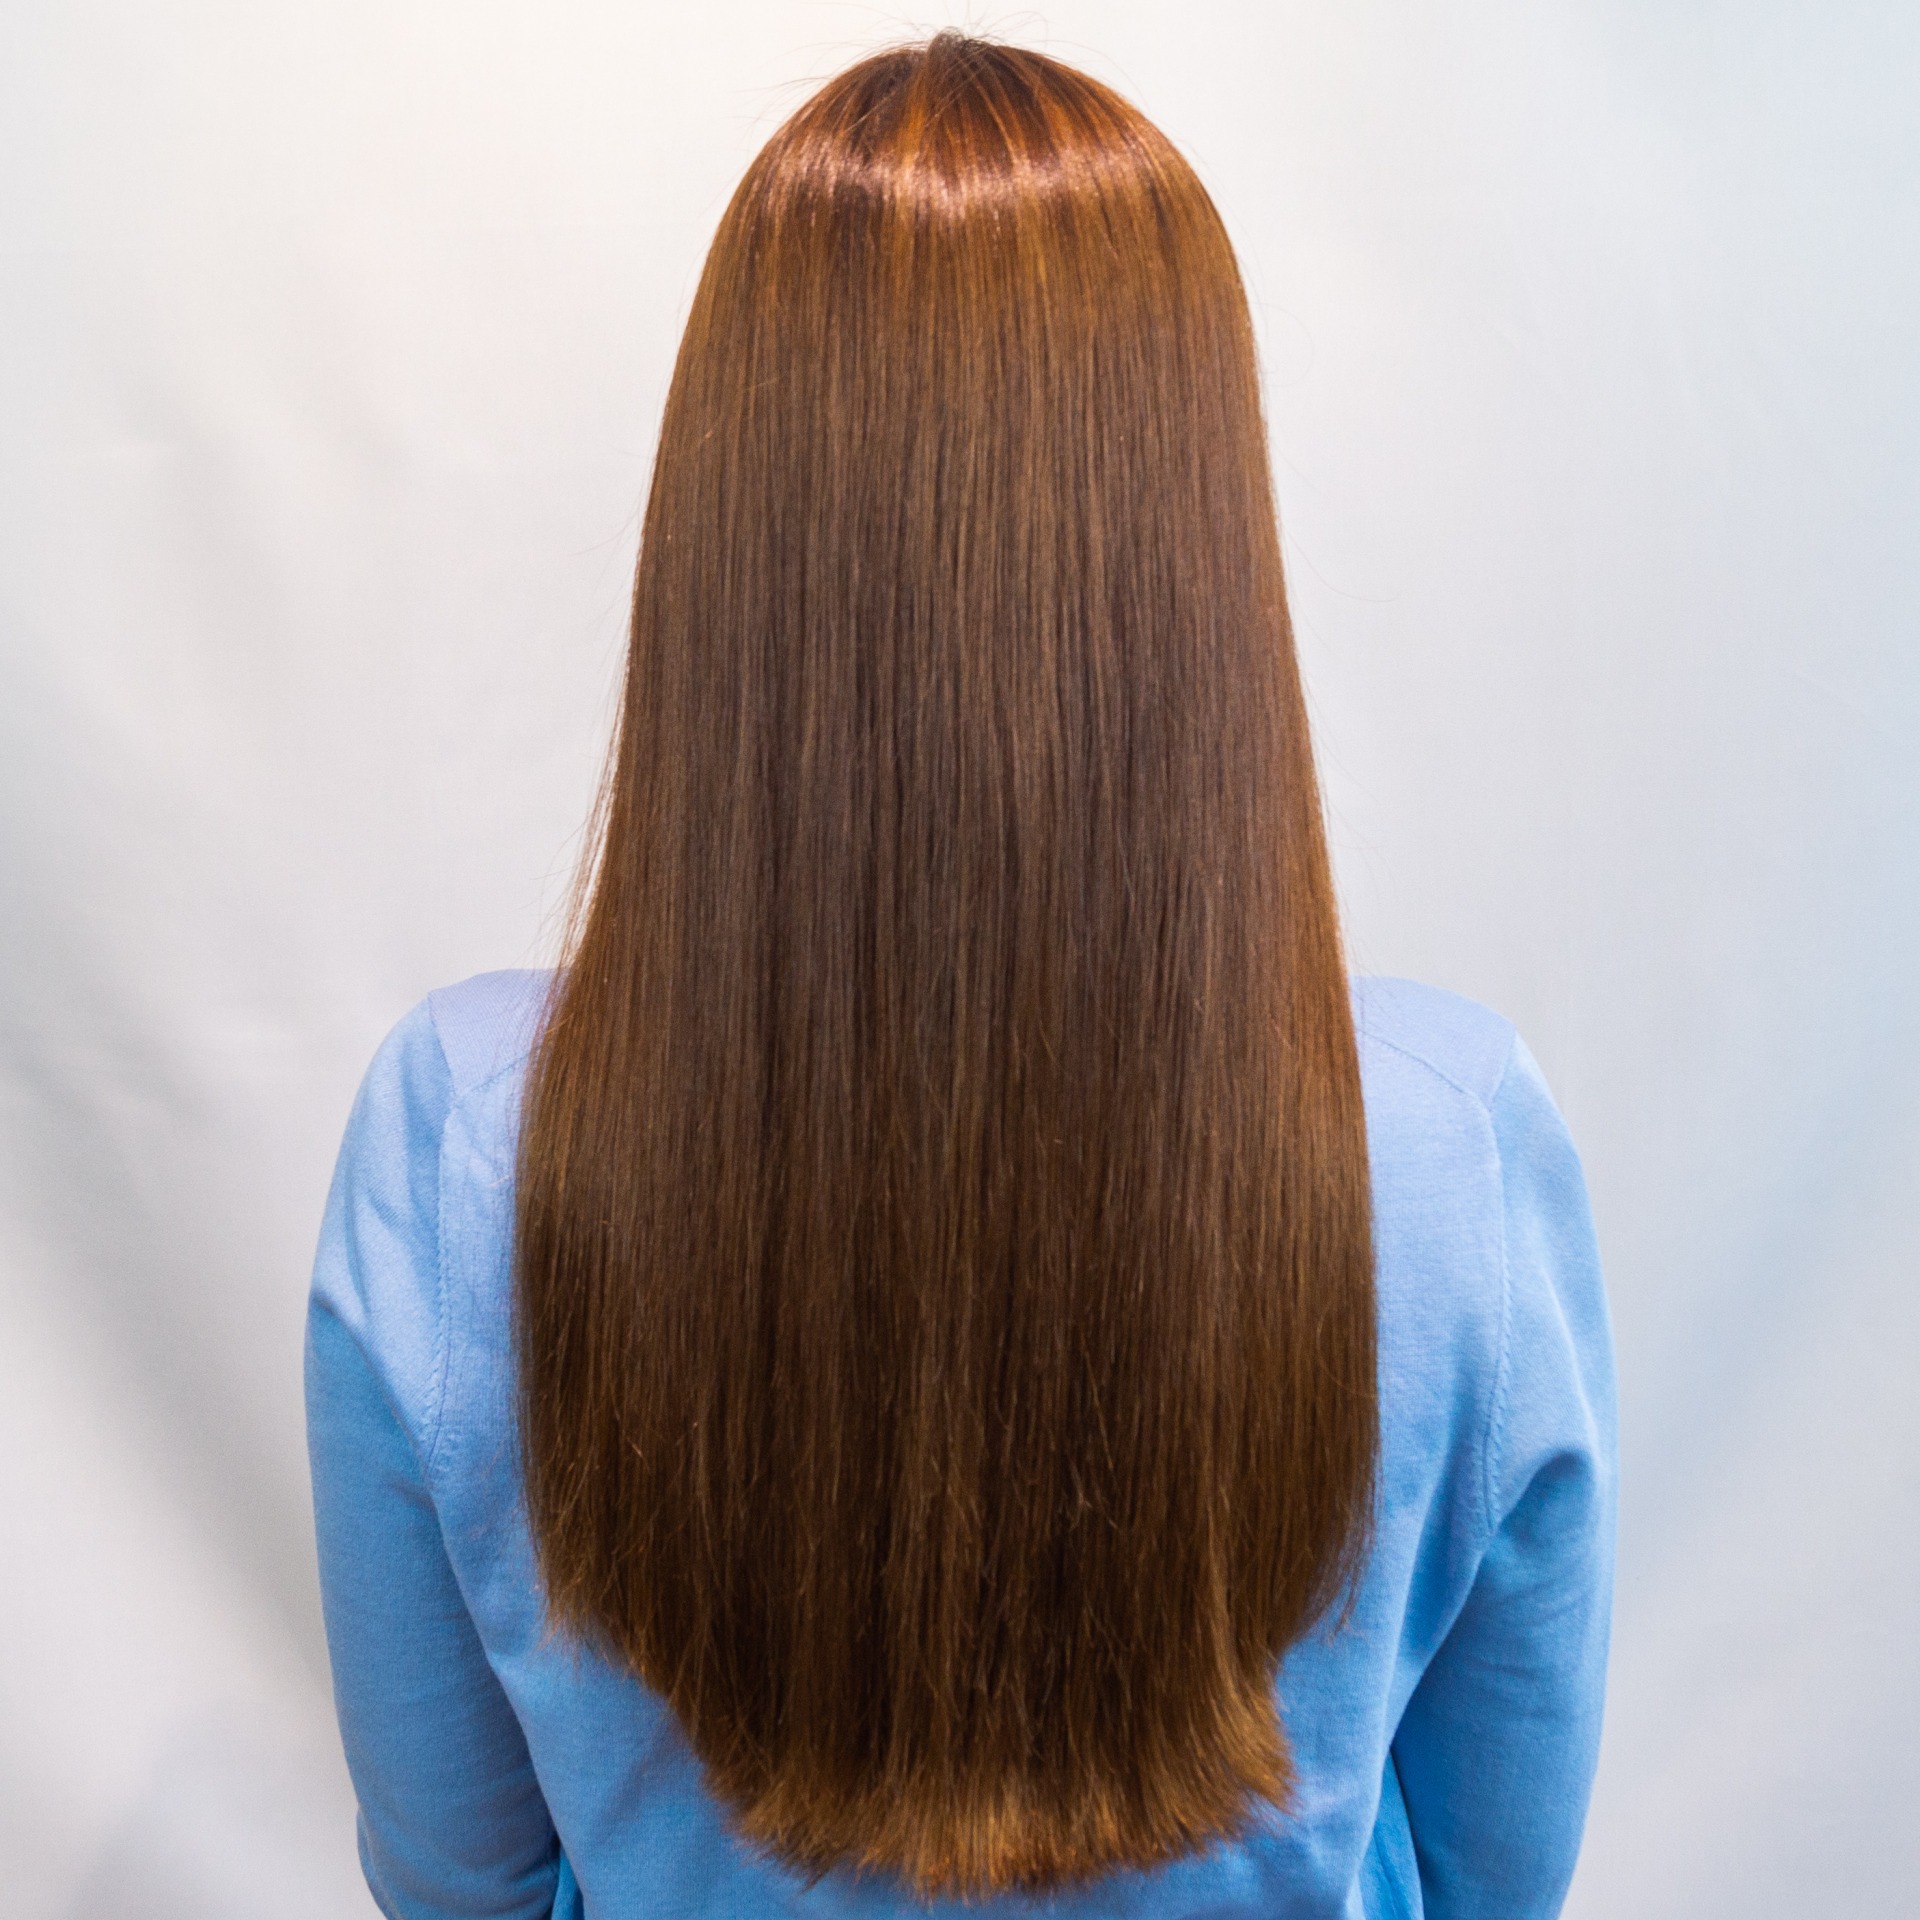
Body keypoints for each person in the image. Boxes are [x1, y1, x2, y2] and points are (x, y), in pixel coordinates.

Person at [304, 31, 1616, 1920]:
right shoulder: (1449, 1151)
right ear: (1196, 550)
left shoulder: (459, 1146)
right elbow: (1496, 1873)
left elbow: (461, 1885)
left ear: (726, 535)